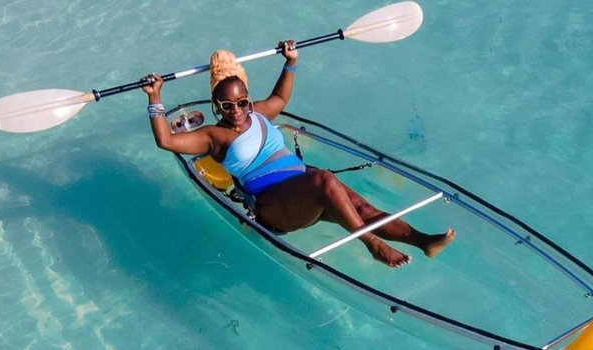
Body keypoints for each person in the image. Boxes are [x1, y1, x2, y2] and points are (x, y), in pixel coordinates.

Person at [141, 40, 454, 268]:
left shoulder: (259, 113)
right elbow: (166, 141)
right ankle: (372, 245)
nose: (236, 110)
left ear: (248, 98)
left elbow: (280, 96)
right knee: (323, 180)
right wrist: (155, 97)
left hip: (301, 189)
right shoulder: (212, 136)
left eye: (241, 102)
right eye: (227, 105)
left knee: (361, 208)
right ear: (216, 106)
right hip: (272, 206)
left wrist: (290, 61)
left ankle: (423, 241)